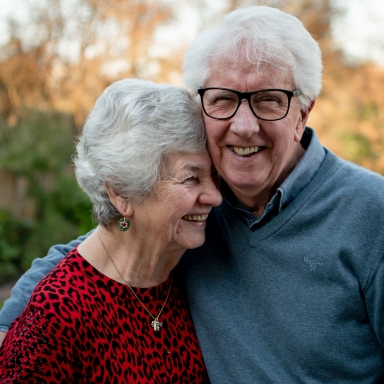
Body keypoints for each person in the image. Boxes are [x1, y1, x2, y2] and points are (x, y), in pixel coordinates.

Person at [1, 5, 384, 383]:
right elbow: (103, 246)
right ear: (202, 103)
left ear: (303, 112)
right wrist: (12, 328)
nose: (244, 126)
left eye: (269, 99)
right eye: (224, 99)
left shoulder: (371, 213)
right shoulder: (200, 205)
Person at [0, 78, 222, 382]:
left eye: (214, 176)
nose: (215, 197)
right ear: (121, 192)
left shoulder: (187, 274)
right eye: (191, 179)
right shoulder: (58, 315)